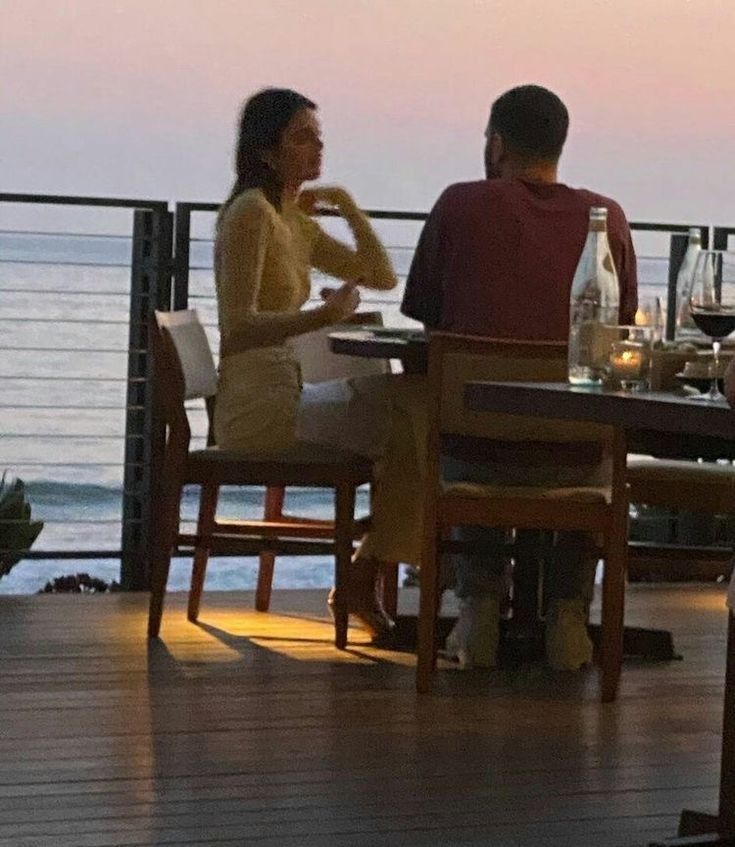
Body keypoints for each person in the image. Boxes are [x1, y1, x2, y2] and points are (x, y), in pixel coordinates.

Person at [401, 84, 638, 670]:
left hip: (474, 452)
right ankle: (565, 614)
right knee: (590, 445)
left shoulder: (458, 205)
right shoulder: (605, 220)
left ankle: (478, 607)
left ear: (497, 144)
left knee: (465, 431)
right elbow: (621, 342)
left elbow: (433, 326)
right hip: (574, 454)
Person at [214, 87, 399, 638]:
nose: (315, 149)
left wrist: (348, 207)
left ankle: (367, 577)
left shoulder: (292, 219)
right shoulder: (251, 212)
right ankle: (370, 579)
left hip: (286, 394)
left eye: (319, 137)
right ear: (266, 152)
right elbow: (237, 327)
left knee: (408, 419)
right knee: (407, 419)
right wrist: (324, 316)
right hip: (258, 409)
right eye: (301, 137)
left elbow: (381, 275)